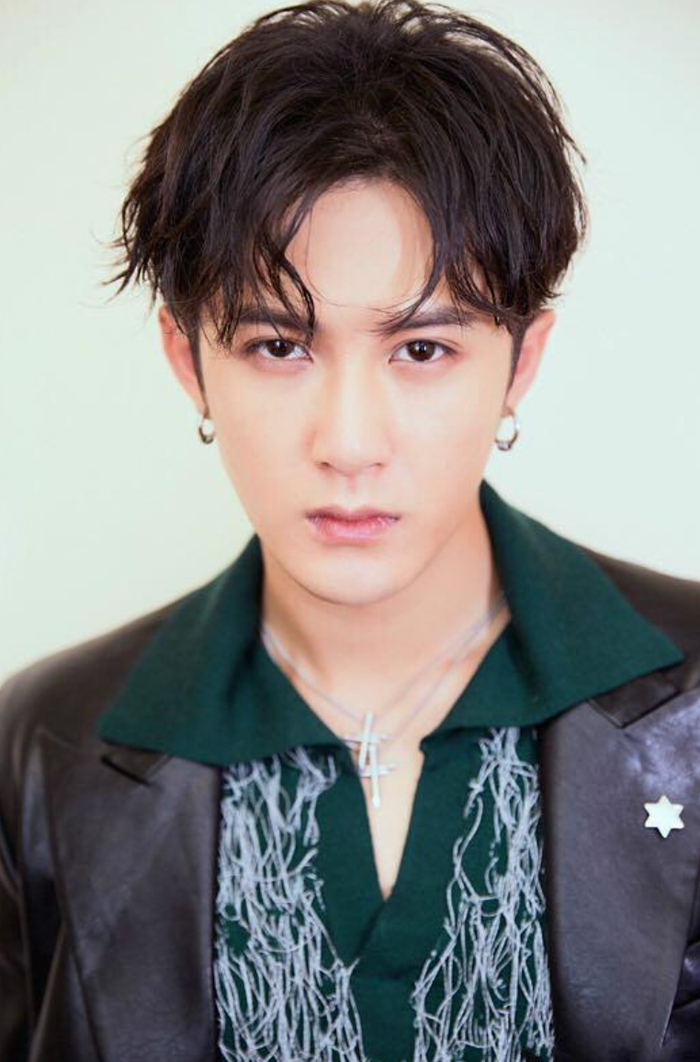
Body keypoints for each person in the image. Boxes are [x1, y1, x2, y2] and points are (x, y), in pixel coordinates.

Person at [1, 0, 698, 1059]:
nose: (350, 442)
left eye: (422, 350)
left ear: (521, 362)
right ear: (189, 361)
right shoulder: (43, 745)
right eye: (279, 346)